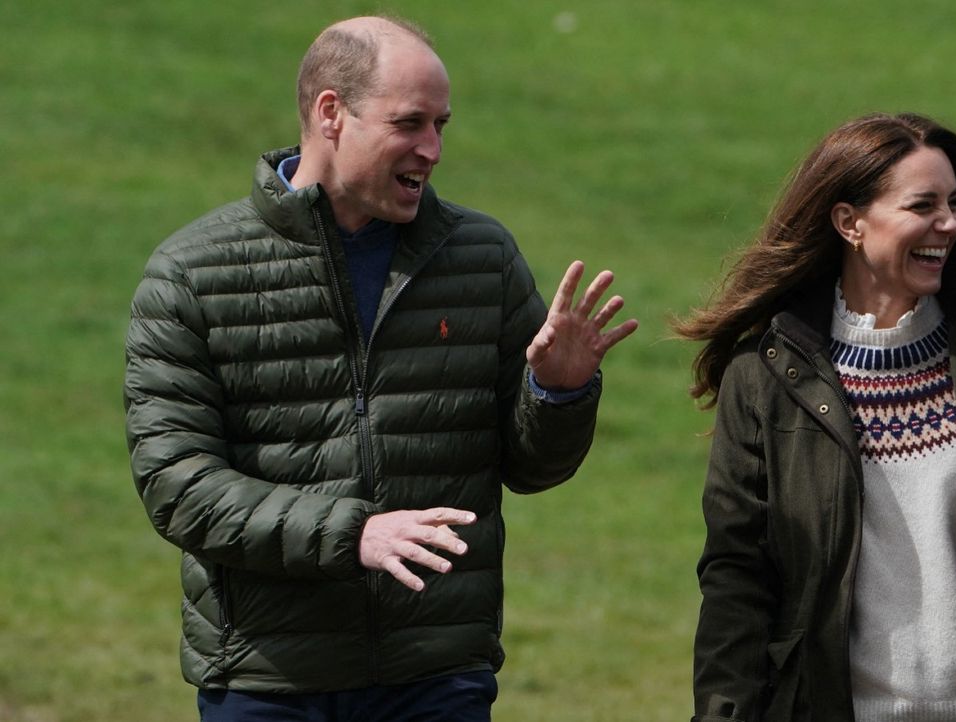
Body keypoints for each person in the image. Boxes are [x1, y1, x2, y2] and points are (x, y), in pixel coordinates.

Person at [124, 15, 637, 721]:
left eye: (441, 126)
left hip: (435, 673)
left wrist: (559, 391)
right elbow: (176, 485)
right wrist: (352, 533)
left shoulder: (481, 258)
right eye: (410, 123)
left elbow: (532, 467)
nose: (431, 149)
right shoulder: (192, 274)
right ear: (331, 113)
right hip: (268, 679)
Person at [676, 113, 956, 722]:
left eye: (955, 203)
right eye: (923, 205)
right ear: (849, 223)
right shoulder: (763, 376)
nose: (950, 224)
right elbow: (737, 577)